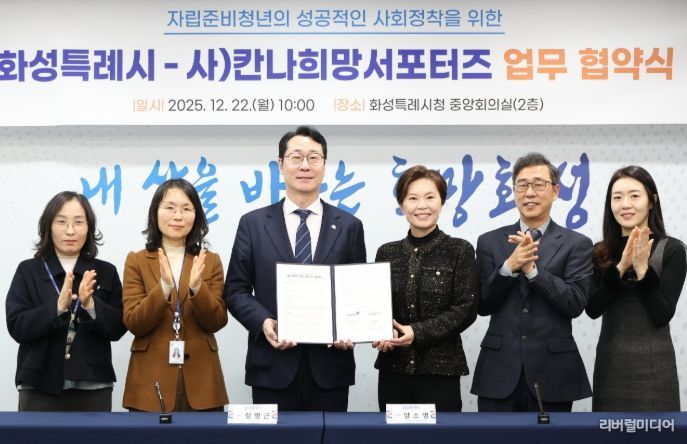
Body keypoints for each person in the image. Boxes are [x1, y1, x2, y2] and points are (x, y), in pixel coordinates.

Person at [225, 126, 366, 411]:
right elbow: (236, 289)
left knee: (330, 434)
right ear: (281, 165)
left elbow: (358, 290)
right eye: (296, 157)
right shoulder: (253, 224)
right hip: (271, 366)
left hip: (330, 368)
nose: (305, 166)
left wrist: (351, 327)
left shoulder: (349, 226)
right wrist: (264, 321)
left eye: (314, 158)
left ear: (324, 165)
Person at [471, 152, 593, 412]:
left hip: (553, 372)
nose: (529, 193)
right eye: (522, 185)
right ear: (514, 191)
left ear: (555, 191)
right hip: (499, 370)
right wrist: (508, 267)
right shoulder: (489, 241)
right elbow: (482, 304)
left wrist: (532, 271)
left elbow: (574, 303)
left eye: (538, 185)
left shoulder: (577, 244)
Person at [6, 191, 126, 411]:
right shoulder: (28, 270)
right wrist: (57, 307)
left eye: (78, 222)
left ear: (89, 227)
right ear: (48, 226)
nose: (70, 231)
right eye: (61, 222)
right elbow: (17, 327)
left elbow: (118, 328)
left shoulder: (105, 271)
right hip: (38, 384)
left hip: (93, 385)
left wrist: (90, 305)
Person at [372, 166, 478, 412]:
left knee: (440, 433)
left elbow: (466, 309)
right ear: (401, 205)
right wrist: (382, 329)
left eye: (430, 197)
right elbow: (377, 306)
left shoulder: (460, 250)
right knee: (392, 433)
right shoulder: (386, 252)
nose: (422, 205)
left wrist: (416, 332)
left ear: (442, 202)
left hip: (440, 371)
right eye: (413, 198)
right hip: (393, 369)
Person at [122, 178, 228, 412]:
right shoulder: (137, 261)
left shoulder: (210, 261)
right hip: (150, 381)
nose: (178, 216)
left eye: (186, 209)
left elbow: (217, 321)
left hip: (202, 382)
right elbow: (134, 323)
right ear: (155, 212)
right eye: (169, 208)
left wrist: (198, 289)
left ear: (196, 216)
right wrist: (164, 287)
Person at [586, 166, 685, 411]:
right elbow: (592, 309)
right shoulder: (600, 251)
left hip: (656, 369)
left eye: (634, 196)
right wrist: (620, 267)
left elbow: (661, 315)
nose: (625, 204)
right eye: (617, 197)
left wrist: (642, 270)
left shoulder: (672, 249)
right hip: (610, 368)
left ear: (651, 201)